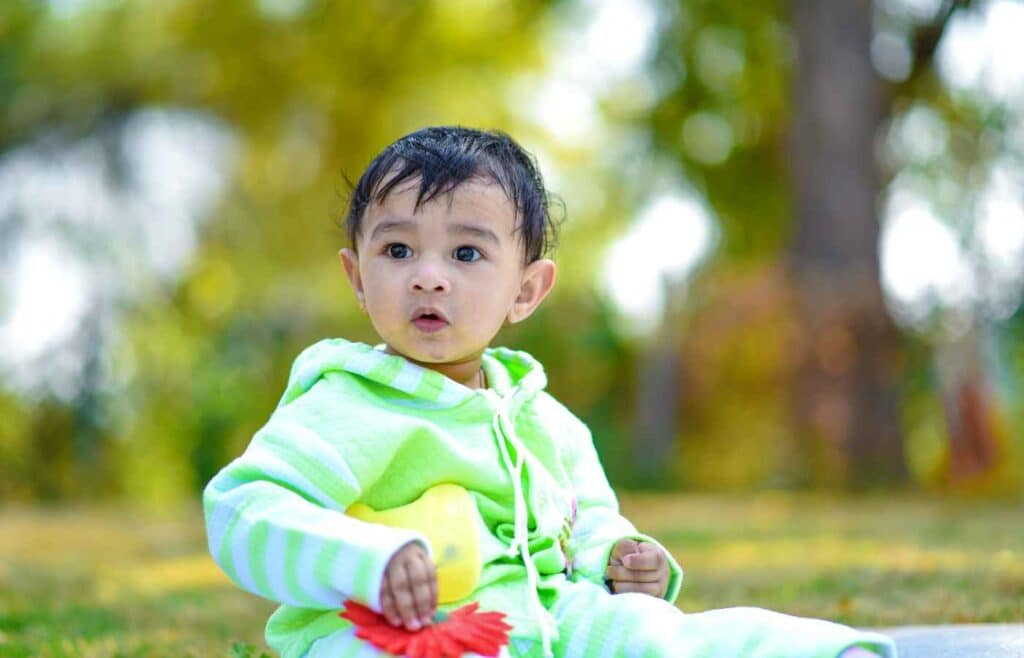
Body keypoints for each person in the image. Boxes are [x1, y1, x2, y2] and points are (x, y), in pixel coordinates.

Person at [204, 126, 896, 658]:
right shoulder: (345, 406)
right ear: (357, 278)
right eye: (398, 251)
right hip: (400, 630)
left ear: (526, 290)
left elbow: (585, 519)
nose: (429, 277)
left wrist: (620, 557)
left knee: (648, 632)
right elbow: (245, 510)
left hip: (549, 618)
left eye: (467, 253)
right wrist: (363, 561)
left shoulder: (547, 420)